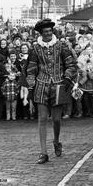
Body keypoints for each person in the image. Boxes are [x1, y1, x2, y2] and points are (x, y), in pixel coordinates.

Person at [26, 19, 77, 164]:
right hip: (41, 86)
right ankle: (43, 153)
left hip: (58, 85)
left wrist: (67, 78)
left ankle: (56, 140)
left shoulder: (61, 46)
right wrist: (30, 87)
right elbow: (31, 69)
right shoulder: (35, 48)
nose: (48, 34)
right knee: (42, 119)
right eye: (45, 32)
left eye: (50, 31)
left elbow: (70, 63)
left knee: (56, 119)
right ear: (41, 34)